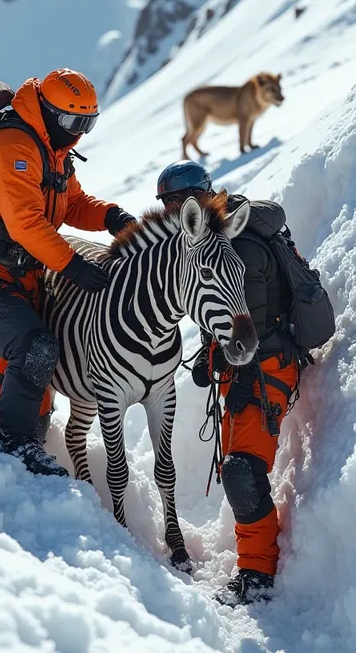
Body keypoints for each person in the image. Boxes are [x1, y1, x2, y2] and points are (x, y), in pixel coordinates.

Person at [0, 69, 135, 477]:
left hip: (12, 273)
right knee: (34, 347)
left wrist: (111, 216)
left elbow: (73, 204)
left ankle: (23, 440)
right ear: (45, 111)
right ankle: (16, 443)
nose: (78, 133)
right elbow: (25, 222)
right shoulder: (13, 147)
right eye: (71, 122)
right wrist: (74, 267)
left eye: (87, 123)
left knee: (19, 357)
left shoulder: (52, 152)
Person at [156, 160, 298, 607]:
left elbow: (246, 322)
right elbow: (224, 314)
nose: (172, 211)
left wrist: (237, 364)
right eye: (167, 204)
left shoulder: (240, 247)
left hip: (267, 367)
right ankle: (252, 560)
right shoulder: (215, 240)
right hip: (245, 367)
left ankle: (257, 575)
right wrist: (210, 354)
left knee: (241, 470)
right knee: (237, 466)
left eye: (177, 202)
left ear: (199, 198)